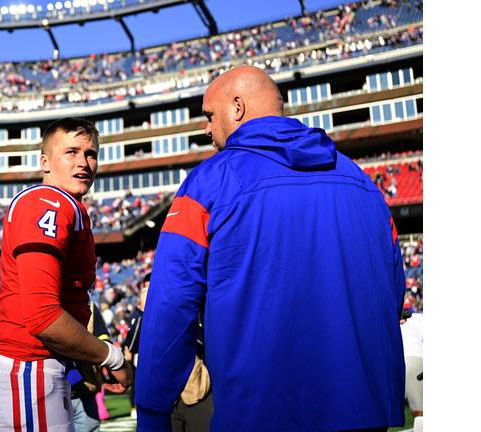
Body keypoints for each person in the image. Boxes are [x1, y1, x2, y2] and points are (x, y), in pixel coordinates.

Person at [134, 66, 407, 432]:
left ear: (237, 107)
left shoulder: (208, 181)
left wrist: (153, 409)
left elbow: (171, 301)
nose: (206, 129)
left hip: (259, 410)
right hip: (362, 406)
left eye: (209, 115)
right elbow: (393, 290)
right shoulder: (362, 181)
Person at [0, 117, 133, 431]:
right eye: (71, 152)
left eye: (91, 154)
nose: (84, 162)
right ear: (45, 163)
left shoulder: (69, 207)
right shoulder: (47, 202)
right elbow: (43, 316)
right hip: (28, 371)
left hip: (38, 371)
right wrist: (112, 357)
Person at [72, 301, 112, 432]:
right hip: (54, 391)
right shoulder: (46, 299)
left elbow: (104, 339)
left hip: (85, 387)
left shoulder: (91, 305)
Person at [123, 272, 151, 420]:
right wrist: (142, 311)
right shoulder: (136, 314)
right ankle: (134, 407)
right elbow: (133, 344)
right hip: (142, 361)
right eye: (146, 290)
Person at [400, 311, 423, 432]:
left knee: (381, 409)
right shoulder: (420, 318)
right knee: (420, 411)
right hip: (415, 357)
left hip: (392, 358)